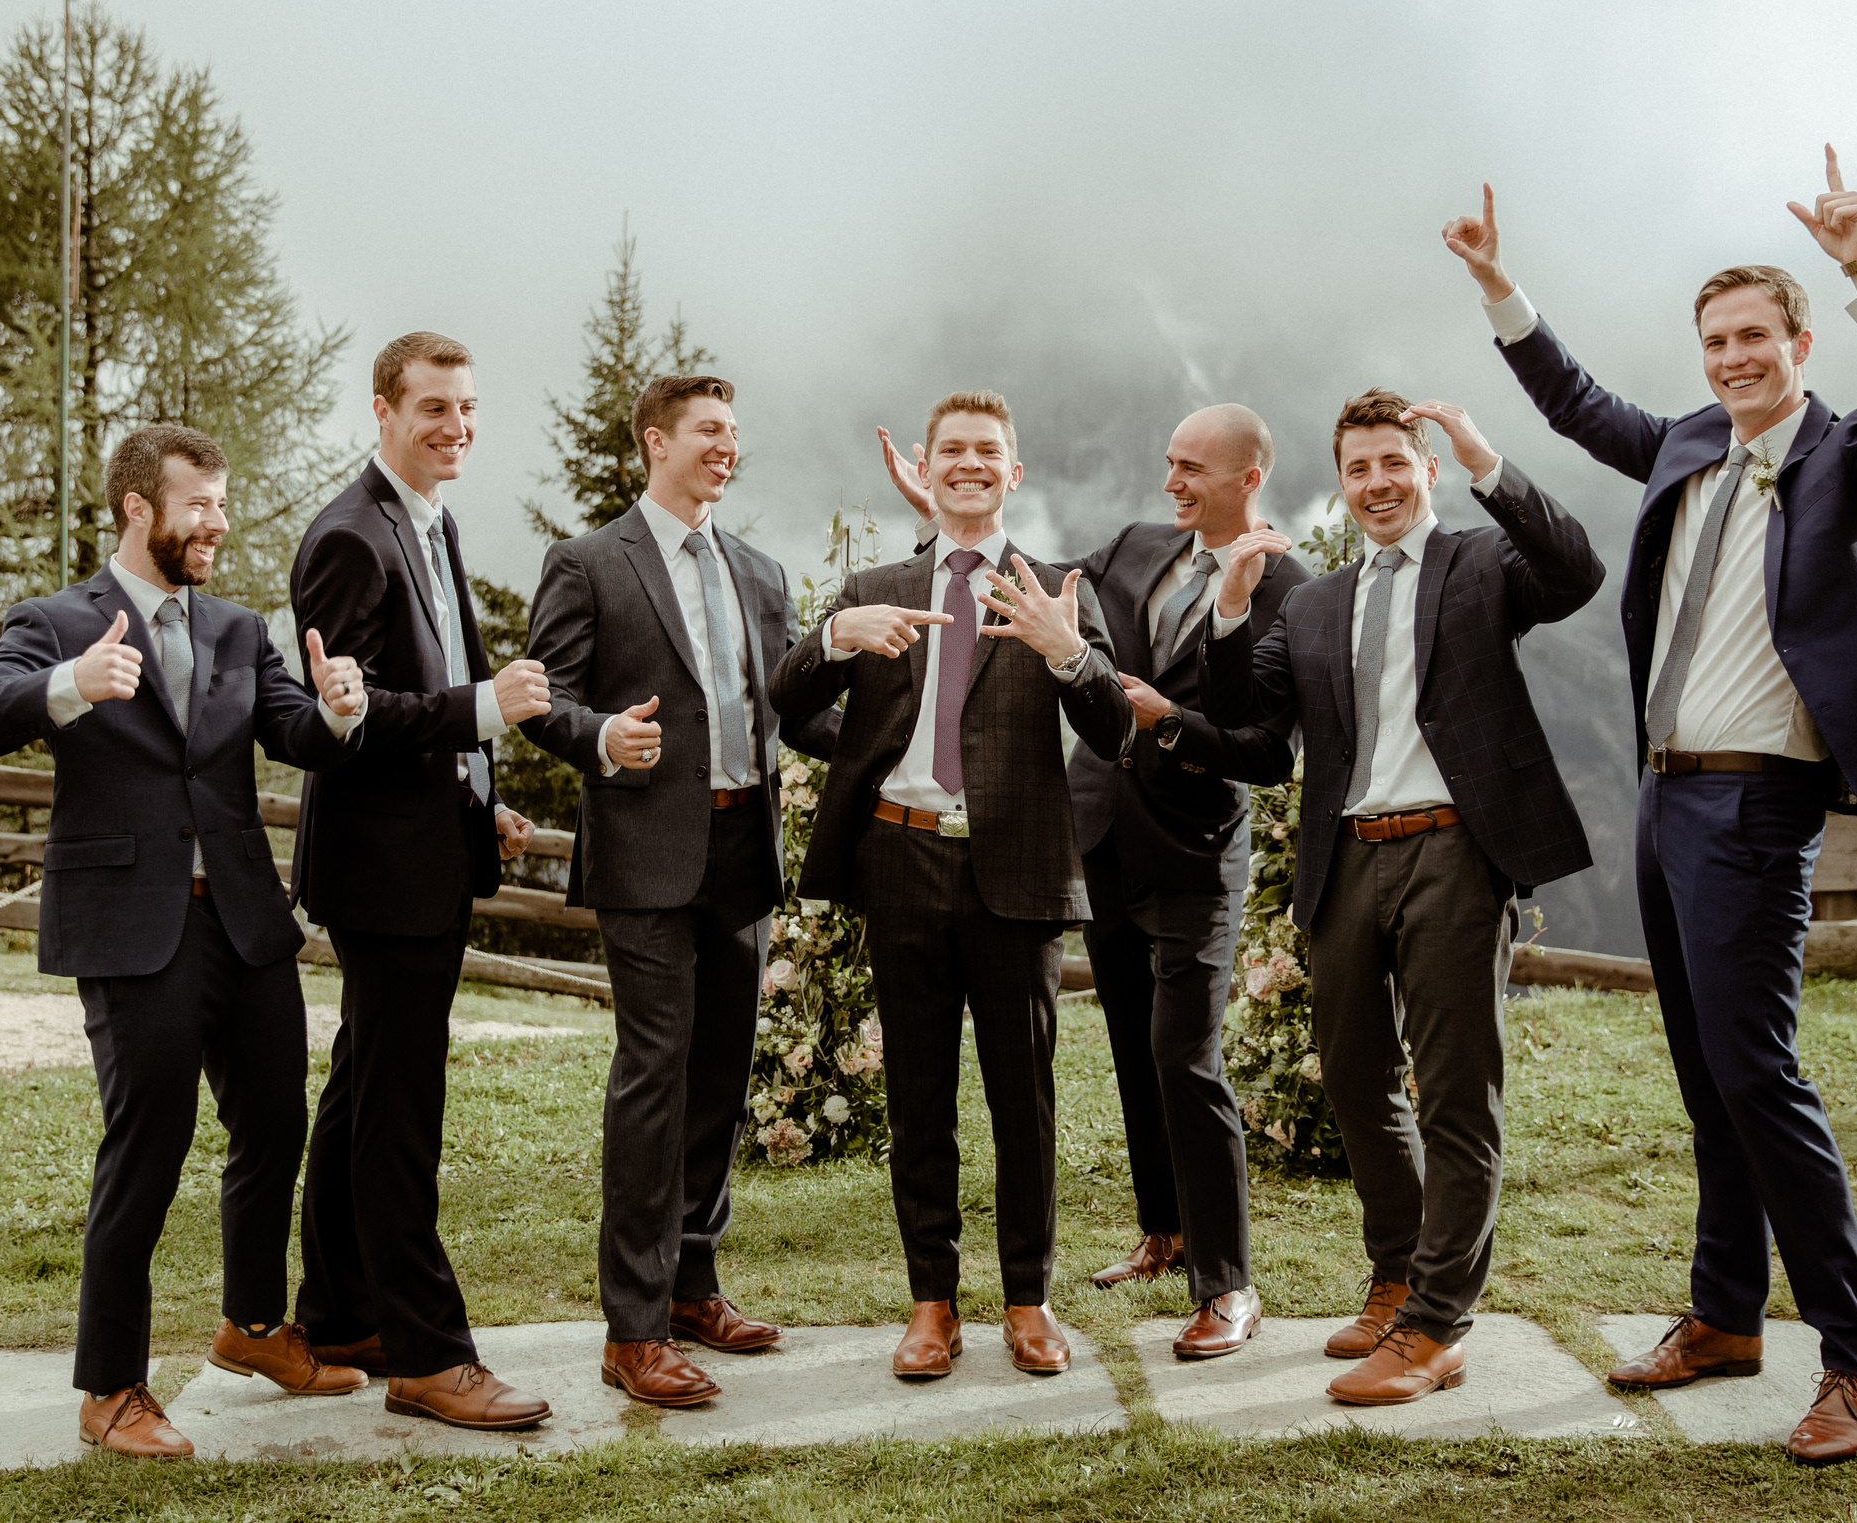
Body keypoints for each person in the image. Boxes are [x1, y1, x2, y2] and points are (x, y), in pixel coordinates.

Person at [1441, 148, 1857, 1465]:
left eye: (1752, 338)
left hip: (1758, 802)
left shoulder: (1854, 454)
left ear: (1798, 341)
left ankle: (1855, 1357)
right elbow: (1579, 407)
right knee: (1706, 1078)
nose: (1731, 358)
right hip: (1664, 796)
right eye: (1714, 339)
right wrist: (1507, 291)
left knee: (1759, 1075)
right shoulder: (1685, 440)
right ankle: (1725, 1314)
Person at [0, 425, 373, 1459]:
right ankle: (111, 1388)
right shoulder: (55, 622)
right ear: (139, 509)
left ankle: (253, 1327)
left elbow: (290, 732)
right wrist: (67, 687)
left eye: (223, 503)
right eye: (200, 505)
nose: (218, 522)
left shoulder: (235, 626)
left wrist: (340, 715)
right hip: (133, 929)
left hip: (243, 918)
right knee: (150, 1143)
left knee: (274, 1121)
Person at [874, 404, 1307, 1360]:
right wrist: (941, 514)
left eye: (1191, 468)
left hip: (1196, 852)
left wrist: (1172, 715)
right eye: (1169, 462)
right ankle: (1163, 1230)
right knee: (1130, 1048)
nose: (1171, 483)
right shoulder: (1140, 544)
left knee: (1186, 1055)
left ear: (1248, 478)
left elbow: (1267, 748)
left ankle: (1227, 1283)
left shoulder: (1289, 587)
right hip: (1098, 834)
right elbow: (1038, 592)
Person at [1201, 389, 1602, 1408]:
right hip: (1348, 860)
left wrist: (1486, 459)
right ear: (1340, 485)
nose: (1376, 483)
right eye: (1358, 469)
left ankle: (1436, 1329)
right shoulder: (1317, 601)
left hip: (1455, 853)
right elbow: (1251, 729)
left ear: (1423, 470)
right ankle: (1394, 1277)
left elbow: (1573, 570)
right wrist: (1235, 606)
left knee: (1457, 1092)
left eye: (1394, 463)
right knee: (1353, 1078)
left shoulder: (1478, 563)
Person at [771, 391, 1132, 1381]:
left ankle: (1028, 1302)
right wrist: (840, 635)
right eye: (952, 451)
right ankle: (931, 1305)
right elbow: (786, 699)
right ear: (925, 469)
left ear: (1012, 473)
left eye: (988, 452)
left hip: (1015, 871)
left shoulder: (1057, 586)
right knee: (918, 1096)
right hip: (901, 856)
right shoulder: (877, 583)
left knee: (1025, 1101)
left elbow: (1115, 735)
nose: (969, 464)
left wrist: (1069, 657)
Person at [519, 374, 838, 1407]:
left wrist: (900, 737)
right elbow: (544, 697)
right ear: (656, 440)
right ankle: (633, 1330)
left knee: (719, 1078)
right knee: (655, 1078)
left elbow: (787, 710)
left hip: (745, 845)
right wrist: (600, 736)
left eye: (735, 433)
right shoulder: (587, 561)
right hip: (648, 851)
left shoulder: (758, 568)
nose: (726, 447)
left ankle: (696, 1286)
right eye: (708, 431)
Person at [287, 331, 555, 1432]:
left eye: (468, 409)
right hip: (381, 873)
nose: (456, 428)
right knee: (402, 1110)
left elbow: (420, 687)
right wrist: (483, 711)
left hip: (427, 846)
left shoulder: (429, 525)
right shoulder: (351, 536)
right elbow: (343, 722)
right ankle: (429, 1357)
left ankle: (340, 1312)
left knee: (361, 1088)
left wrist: (475, 792)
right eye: (435, 409)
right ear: (383, 411)